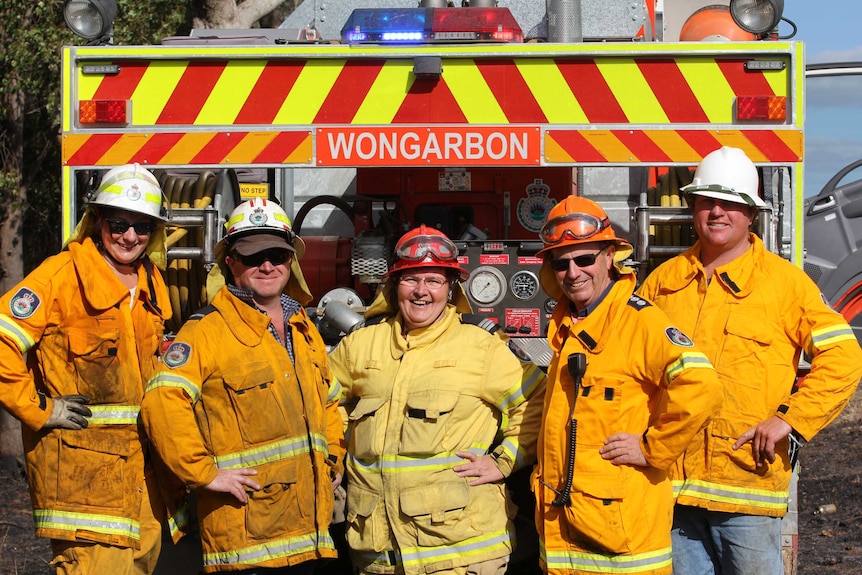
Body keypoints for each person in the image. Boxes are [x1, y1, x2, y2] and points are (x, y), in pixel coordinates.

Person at [637, 146, 862, 575]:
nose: (718, 212)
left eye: (731, 203)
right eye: (708, 202)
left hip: (747, 493)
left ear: (751, 214)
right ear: (692, 208)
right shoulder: (663, 284)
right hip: (673, 491)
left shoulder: (783, 285)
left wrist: (790, 420)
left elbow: (844, 356)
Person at [328, 225, 547, 575]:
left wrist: (504, 460)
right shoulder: (361, 346)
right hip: (378, 553)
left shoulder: (480, 347)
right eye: (411, 279)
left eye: (433, 281)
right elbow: (324, 401)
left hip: (461, 554)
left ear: (451, 288)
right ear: (393, 285)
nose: (421, 292)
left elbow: (537, 400)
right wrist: (332, 454)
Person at [141, 198, 345, 574]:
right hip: (246, 541)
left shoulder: (303, 329)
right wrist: (204, 473)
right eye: (252, 257)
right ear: (230, 263)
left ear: (290, 262)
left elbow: (330, 402)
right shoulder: (205, 332)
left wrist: (332, 457)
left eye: (276, 254)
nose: (266, 265)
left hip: (309, 536)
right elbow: (161, 403)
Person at [532, 196, 722, 575]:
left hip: (621, 546)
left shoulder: (640, 322)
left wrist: (652, 448)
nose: (573, 272)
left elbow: (703, 387)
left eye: (584, 259)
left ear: (608, 258)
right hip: (563, 542)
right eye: (562, 263)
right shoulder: (568, 328)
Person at [0, 164, 171, 574]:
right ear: (97, 220)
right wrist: (42, 409)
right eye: (119, 223)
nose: (130, 236)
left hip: (142, 487)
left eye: (142, 226)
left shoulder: (152, 282)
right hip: (84, 491)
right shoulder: (60, 277)